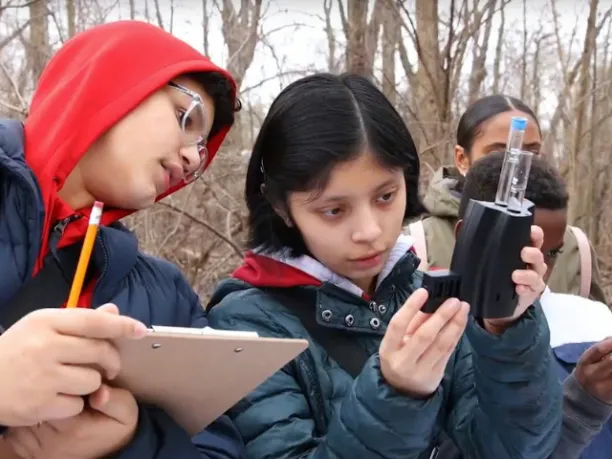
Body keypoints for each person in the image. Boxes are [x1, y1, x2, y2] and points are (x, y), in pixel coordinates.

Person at [205, 73, 562, 458]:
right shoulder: (245, 330)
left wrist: (507, 331)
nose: (370, 231)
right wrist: (396, 393)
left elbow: (515, 448)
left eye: (386, 196)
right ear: (281, 207)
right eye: (334, 210)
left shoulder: (429, 296)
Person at [0, 21, 245, 458]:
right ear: (112, 83)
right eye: (184, 117)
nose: (193, 157)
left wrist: (130, 442)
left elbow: (220, 449)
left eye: (204, 148)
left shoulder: (165, 294)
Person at [458, 151, 612, 459]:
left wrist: (591, 398)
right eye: (524, 249)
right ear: (467, 234)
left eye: (552, 253)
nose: (539, 266)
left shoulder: (591, 322)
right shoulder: (429, 331)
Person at [405, 94, 607, 304]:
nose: (518, 166)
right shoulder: (419, 242)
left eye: (531, 152)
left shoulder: (574, 247)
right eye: (500, 152)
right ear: (462, 159)